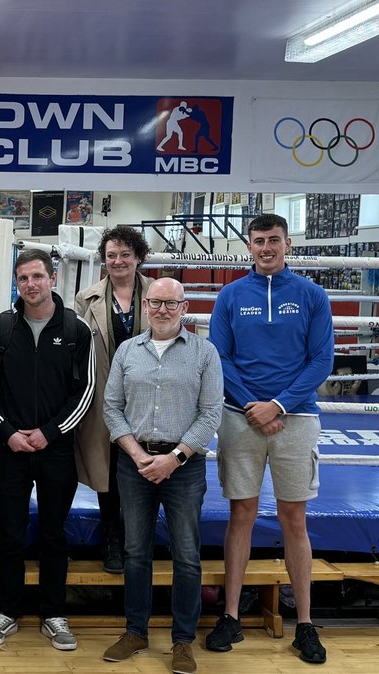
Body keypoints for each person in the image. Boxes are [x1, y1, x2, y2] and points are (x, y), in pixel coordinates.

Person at [206, 214, 333, 665]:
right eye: (258, 241)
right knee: (241, 512)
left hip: (294, 419)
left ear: (288, 244)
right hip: (241, 416)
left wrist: (277, 405)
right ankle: (232, 616)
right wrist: (253, 406)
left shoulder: (312, 295)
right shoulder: (231, 295)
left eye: (273, 240)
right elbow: (219, 356)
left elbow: (322, 361)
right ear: (248, 245)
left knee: (293, 518)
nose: (266, 248)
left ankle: (304, 624)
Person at [100, 278, 223, 674]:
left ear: (184, 307)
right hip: (134, 465)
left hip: (183, 467)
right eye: (156, 302)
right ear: (147, 305)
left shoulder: (204, 352)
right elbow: (111, 408)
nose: (163, 310)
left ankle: (182, 640)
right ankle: (135, 631)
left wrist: (174, 457)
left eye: (172, 303)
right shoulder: (127, 350)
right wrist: (137, 455)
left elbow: (210, 414)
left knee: (186, 555)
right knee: (136, 552)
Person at [0, 248, 94, 652]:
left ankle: (53, 614)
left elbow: (84, 391)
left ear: (52, 279)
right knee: (10, 532)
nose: (31, 284)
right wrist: (7, 431)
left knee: (53, 533)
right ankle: (6, 612)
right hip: (10, 447)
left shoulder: (76, 329)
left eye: (37, 277)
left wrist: (50, 432)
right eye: (23, 278)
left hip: (55, 449)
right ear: (17, 283)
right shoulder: (0, 329)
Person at [74, 226, 154, 574]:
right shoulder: (85, 297)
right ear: (103, 260)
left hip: (148, 395)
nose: (118, 261)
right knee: (106, 469)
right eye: (111, 255)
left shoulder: (158, 292)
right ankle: (112, 539)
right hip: (104, 394)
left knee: (144, 464)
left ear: (138, 256)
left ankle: (140, 541)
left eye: (125, 254)